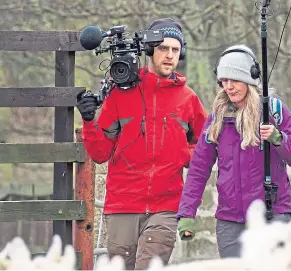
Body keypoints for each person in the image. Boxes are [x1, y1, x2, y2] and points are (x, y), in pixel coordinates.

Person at [76, 18, 208, 270]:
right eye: (163, 48)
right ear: (149, 50)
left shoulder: (188, 99)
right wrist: (89, 120)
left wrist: (182, 154)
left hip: (166, 207)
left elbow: (204, 150)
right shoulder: (119, 94)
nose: (170, 56)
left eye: (175, 50)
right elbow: (100, 152)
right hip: (122, 205)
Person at [175, 44, 291, 258]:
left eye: (234, 80)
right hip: (231, 222)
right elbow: (199, 168)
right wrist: (187, 213)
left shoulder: (273, 112)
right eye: (224, 81)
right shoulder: (217, 119)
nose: (228, 87)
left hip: (273, 215)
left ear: (249, 80)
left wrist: (278, 139)